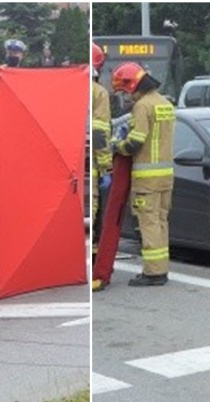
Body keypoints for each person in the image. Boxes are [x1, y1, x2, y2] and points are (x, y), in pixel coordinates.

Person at [109, 62, 175, 286]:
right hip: (166, 176)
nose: (127, 97)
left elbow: (136, 142)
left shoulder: (143, 106)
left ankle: (152, 273)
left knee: (148, 223)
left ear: (133, 85)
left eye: (126, 91)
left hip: (146, 178)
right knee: (161, 222)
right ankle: (162, 269)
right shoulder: (164, 103)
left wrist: (117, 146)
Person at [90, 43, 113, 292]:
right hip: (92, 162)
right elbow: (99, 133)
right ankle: (94, 263)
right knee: (95, 214)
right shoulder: (98, 93)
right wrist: (106, 166)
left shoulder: (70, 85)